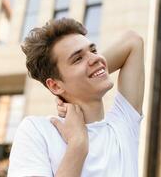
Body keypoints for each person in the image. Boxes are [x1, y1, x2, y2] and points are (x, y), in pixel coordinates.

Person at [8, 18, 145, 177]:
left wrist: (91, 71)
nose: (96, 58)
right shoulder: (38, 131)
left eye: (93, 51)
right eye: (78, 58)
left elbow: (133, 42)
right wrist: (77, 146)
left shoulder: (123, 125)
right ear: (55, 85)